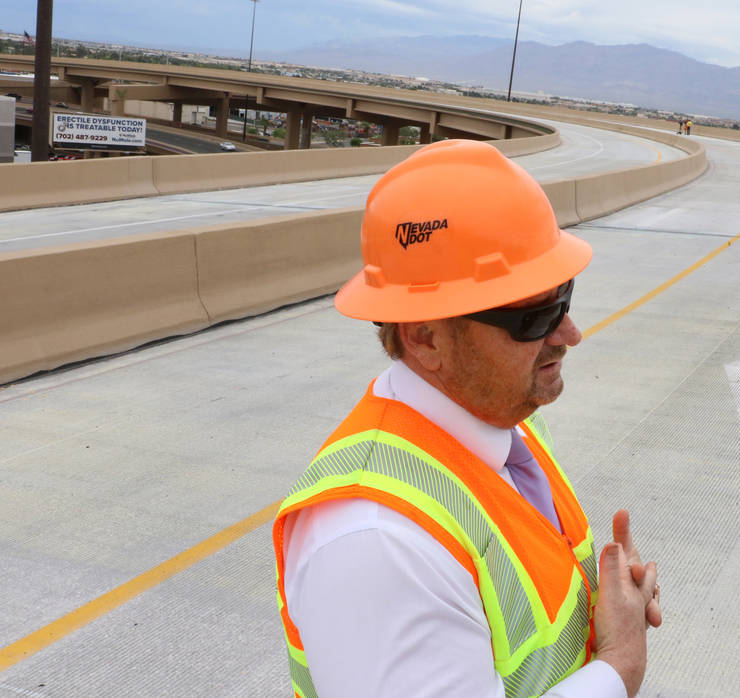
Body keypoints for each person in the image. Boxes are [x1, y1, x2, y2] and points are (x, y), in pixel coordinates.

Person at [273, 139, 662, 698]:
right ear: (426, 335)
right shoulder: (378, 543)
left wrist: (606, 609)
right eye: (534, 316)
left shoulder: (507, 427)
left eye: (565, 298)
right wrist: (619, 666)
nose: (570, 334)